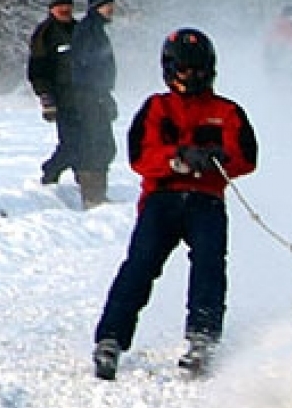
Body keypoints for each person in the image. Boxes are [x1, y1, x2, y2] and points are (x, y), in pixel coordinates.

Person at [92, 28, 258, 381]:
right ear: (170, 70)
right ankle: (110, 338)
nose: (191, 76)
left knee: (209, 266)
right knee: (140, 265)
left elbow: (247, 157)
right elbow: (140, 155)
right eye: (184, 69)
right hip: (161, 199)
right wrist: (177, 158)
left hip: (207, 201)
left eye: (198, 69)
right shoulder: (156, 107)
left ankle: (202, 338)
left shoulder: (227, 111)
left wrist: (218, 158)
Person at [69, 0, 119, 209]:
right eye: (107, 5)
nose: (111, 9)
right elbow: (85, 63)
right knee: (95, 143)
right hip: (89, 95)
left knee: (104, 144)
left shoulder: (96, 30)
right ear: (97, 7)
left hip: (98, 93)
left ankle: (97, 193)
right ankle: (91, 195)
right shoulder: (87, 30)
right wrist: (97, 92)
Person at [26, 0, 77, 184]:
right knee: (71, 144)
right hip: (60, 98)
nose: (64, 9)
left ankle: (85, 184)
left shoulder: (79, 30)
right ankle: (50, 173)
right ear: (52, 10)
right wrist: (46, 98)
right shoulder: (44, 34)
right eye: (60, 6)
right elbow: (37, 70)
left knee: (86, 143)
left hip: (81, 97)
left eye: (68, 6)